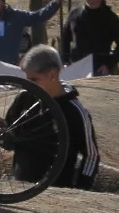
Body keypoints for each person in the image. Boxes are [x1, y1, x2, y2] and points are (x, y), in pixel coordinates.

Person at [9, 44, 101, 190]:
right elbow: (10, 139)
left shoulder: (75, 111)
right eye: (27, 80)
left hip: (57, 191)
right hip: (20, 189)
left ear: (52, 74)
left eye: (34, 80)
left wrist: (81, 189)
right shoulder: (23, 98)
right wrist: (1, 133)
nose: (28, 85)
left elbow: (91, 156)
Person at [61, 0, 119, 76]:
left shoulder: (110, 17)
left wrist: (109, 65)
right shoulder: (74, 14)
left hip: (100, 68)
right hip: (77, 66)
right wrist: (65, 62)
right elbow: (65, 40)